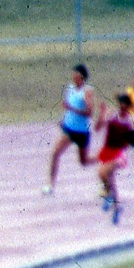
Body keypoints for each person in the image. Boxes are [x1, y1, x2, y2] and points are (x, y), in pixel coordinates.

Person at [42, 63, 95, 194]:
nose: (73, 78)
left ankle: (104, 158)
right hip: (69, 129)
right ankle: (50, 185)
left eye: (76, 76)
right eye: (73, 75)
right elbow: (67, 107)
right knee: (55, 153)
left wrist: (71, 109)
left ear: (82, 77)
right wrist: (64, 119)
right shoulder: (70, 88)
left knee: (84, 161)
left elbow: (89, 113)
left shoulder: (87, 91)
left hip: (82, 131)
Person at [95, 92, 134, 225]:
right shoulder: (112, 114)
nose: (122, 106)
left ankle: (109, 196)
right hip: (107, 151)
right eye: (120, 103)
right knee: (110, 179)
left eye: (125, 104)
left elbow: (129, 141)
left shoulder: (129, 121)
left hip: (118, 153)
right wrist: (102, 113)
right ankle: (117, 208)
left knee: (102, 173)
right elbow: (98, 127)